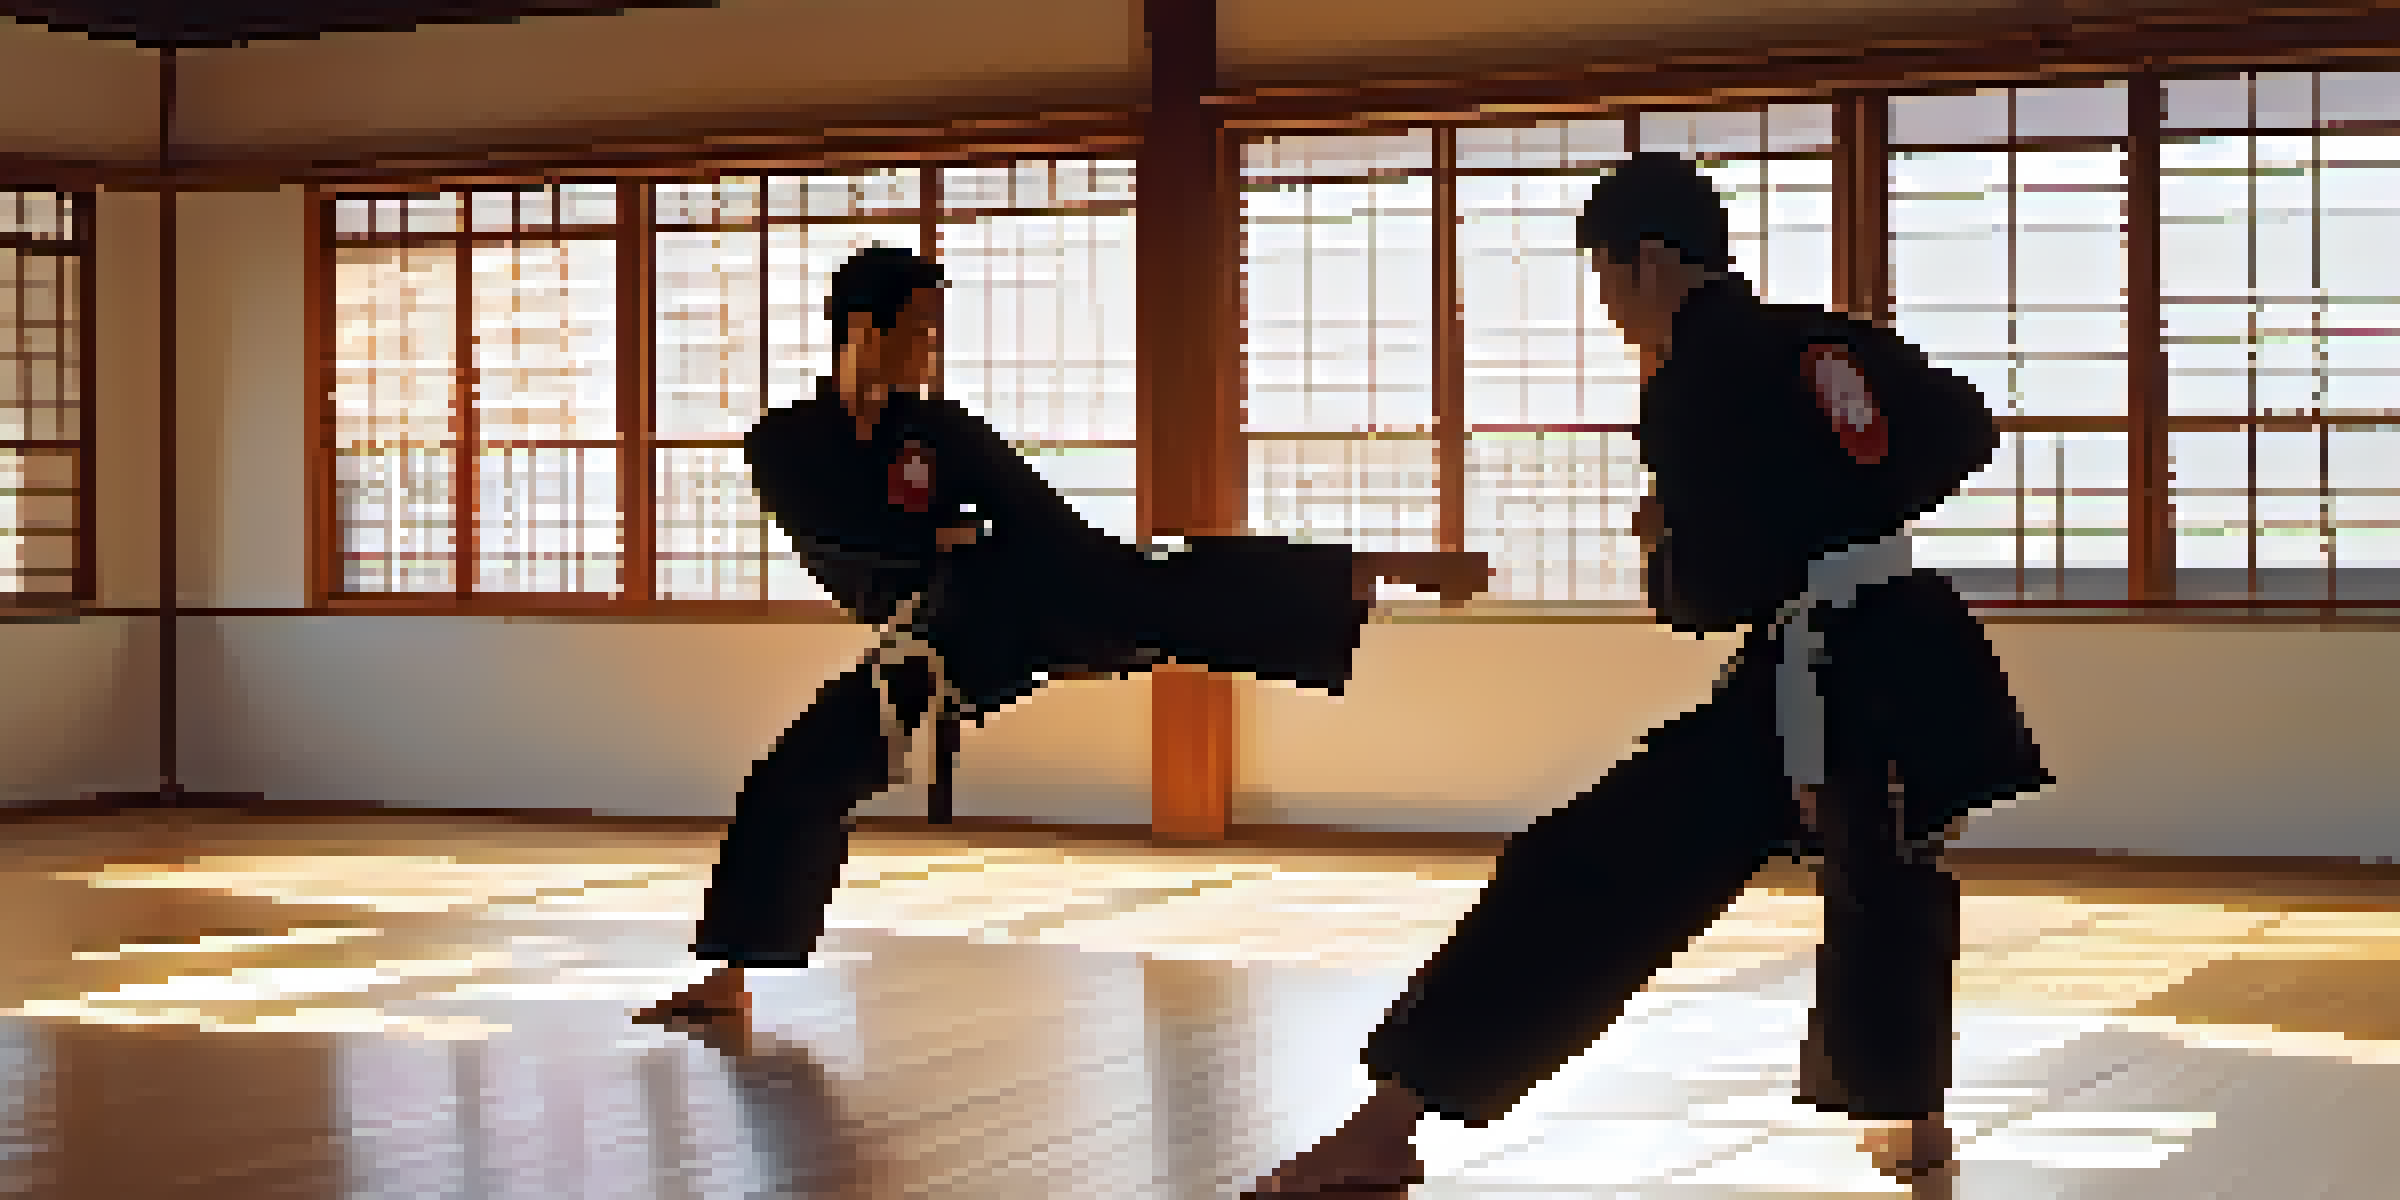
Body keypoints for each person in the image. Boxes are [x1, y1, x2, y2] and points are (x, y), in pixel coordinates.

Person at [1244, 153, 2052, 1199]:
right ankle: (1916, 1134)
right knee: (1886, 887)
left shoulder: (1690, 378)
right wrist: (1845, 497)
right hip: (1914, 651)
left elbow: (1708, 593)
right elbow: (1963, 424)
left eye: (1608, 281)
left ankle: (1386, 1123)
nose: (1613, 310)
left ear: (1650, 261)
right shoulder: (1824, 338)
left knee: (1584, 869)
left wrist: (1663, 544)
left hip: (1830, 664)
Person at [634, 246, 1491, 1057]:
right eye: (918, 327)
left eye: (936, 330)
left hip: (1017, 593)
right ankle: (729, 977)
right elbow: (846, 537)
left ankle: (1371, 571)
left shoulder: (945, 432)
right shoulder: (786, 443)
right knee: (799, 770)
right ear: (862, 327)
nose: (930, 347)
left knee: (1155, 577)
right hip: (931, 638)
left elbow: (1040, 521)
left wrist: (1053, 567)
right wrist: (941, 538)